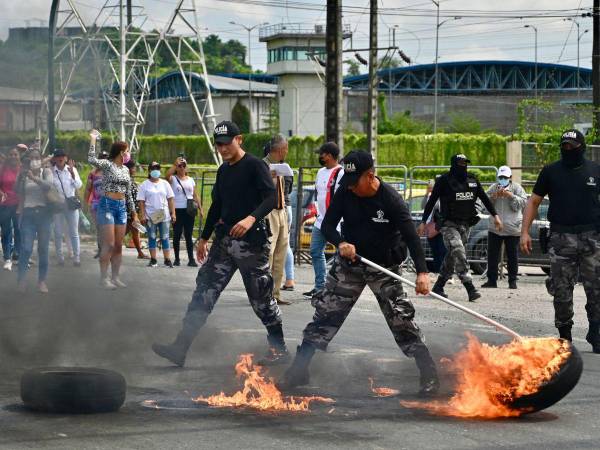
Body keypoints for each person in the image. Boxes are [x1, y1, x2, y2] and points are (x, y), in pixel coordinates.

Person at [279, 151, 438, 396]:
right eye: (348, 181)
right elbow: (328, 225)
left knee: (401, 318)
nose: (350, 187)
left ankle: (429, 374)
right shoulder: (346, 192)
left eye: (355, 182)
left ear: (370, 176)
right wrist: (341, 242)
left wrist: (423, 273)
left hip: (383, 267)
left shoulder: (391, 200)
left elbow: (411, 237)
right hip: (350, 264)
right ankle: (300, 370)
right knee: (326, 313)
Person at [152, 120, 288, 367]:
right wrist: (204, 238)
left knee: (261, 299)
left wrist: (251, 218)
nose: (223, 149)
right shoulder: (224, 170)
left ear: (239, 139)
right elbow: (216, 206)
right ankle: (180, 347)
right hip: (224, 242)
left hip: (252, 243)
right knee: (204, 291)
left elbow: (271, 198)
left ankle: (278, 349)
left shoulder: (255, 166)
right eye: (218, 145)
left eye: (226, 143)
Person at [521, 129, 600, 353]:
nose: (568, 150)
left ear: (581, 147)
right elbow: (533, 201)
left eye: (572, 147)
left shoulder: (595, 170)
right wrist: (524, 232)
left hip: (592, 238)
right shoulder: (551, 171)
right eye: (564, 146)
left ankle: (596, 330)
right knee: (562, 291)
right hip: (561, 238)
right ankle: (565, 334)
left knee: (596, 290)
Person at [419, 154, 503, 302]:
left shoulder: (472, 179)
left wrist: (495, 216)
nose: (463, 166)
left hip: (466, 224)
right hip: (448, 224)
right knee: (458, 250)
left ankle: (438, 286)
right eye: (460, 163)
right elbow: (431, 202)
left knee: (452, 256)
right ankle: (469, 286)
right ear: (453, 164)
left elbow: (484, 198)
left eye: (465, 163)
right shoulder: (444, 181)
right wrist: (423, 221)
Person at [88, 130, 139, 289]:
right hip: (107, 205)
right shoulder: (107, 164)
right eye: (128, 150)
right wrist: (93, 140)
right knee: (108, 244)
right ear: (121, 152)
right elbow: (91, 159)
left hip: (121, 208)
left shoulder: (125, 170)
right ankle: (104, 279)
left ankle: (115, 277)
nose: (129, 154)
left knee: (118, 245)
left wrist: (134, 214)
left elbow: (129, 193)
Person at [303, 142, 344, 299]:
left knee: (341, 255)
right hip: (320, 221)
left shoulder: (340, 173)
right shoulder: (320, 172)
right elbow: (318, 194)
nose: (320, 156)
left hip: (336, 222)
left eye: (322, 154)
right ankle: (320, 287)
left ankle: (336, 286)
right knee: (315, 251)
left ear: (330, 155)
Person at [482, 166, 527, 289]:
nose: (502, 179)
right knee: (492, 255)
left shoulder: (517, 188)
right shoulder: (493, 188)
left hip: (512, 228)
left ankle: (512, 281)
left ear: (510, 178)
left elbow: (522, 204)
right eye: (500, 177)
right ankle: (492, 280)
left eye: (505, 177)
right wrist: (493, 197)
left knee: (512, 255)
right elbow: (484, 205)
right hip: (495, 227)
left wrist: (510, 196)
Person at [15, 149, 54, 293]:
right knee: (26, 248)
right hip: (28, 214)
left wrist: (34, 177)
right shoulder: (24, 173)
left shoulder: (47, 172)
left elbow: (49, 186)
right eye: (31, 158)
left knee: (43, 249)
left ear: (41, 158)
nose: (34, 160)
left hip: (44, 214)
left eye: (37, 157)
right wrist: (20, 178)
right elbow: (16, 190)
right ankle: (22, 280)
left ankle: (41, 281)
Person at [263, 135, 293, 305]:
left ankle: (275, 294)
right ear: (279, 149)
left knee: (281, 253)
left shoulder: (281, 166)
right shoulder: (263, 165)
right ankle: (263, 293)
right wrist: (268, 176)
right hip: (270, 212)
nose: (286, 152)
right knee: (269, 253)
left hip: (281, 211)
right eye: (285, 149)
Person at [166, 156, 202, 267]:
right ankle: (177, 258)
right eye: (179, 166)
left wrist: (200, 209)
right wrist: (174, 164)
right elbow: (166, 176)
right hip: (177, 209)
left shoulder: (191, 180)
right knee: (176, 234)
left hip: (190, 209)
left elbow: (195, 195)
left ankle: (191, 259)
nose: (182, 168)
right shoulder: (173, 179)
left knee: (188, 234)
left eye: (183, 166)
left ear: (186, 167)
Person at [138, 162, 176, 268]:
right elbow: (141, 202)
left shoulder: (165, 183)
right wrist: (142, 215)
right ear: (149, 171)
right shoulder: (144, 184)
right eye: (153, 168)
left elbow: (171, 199)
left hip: (164, 215)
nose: (156, 170)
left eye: (157, 168)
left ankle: (167, 259)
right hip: (150, 216)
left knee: (165, 237)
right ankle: (153, 259)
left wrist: (173, 213)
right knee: (152, 237)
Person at [50, 149, 82, 267]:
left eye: (63, 156)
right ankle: (60, 256)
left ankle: (76, 257)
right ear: (54, 159)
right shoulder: (51, 171)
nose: (60, 158)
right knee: (57, 232)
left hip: (71, 204)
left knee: (73, 232)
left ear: (66, 158)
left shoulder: (72, 170)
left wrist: (73, 174)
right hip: (57, 204)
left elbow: (78, 185)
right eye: (58, 156)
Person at [0, 147, 21, 270]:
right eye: (11, 154)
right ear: (8, 156)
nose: (13, 156)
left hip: (19, 205)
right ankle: (7, 258)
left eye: (15, 154)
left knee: (19, 230)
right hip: (5, 205)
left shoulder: (22, 170)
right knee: (6, 232)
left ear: (19, 156)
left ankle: (16, 254)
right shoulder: (3, 169)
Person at [84, 150, 108, 258]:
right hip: (96, 203)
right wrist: (85, 203)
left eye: (106, 158)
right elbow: (88, 189)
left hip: (109, 204)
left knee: (107, 227)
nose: (104, 160)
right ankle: (100, 249)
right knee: (99, 227)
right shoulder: (93, 173)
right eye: (102, 158)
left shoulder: (112, 173)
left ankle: (107, 249)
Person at [421, 178, 446, 275]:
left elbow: (439, 207)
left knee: (442, 250)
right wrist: (427, 193)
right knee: (435, 250)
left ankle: (443, 272)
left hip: (440, 227)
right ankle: (437, 271)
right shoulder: (429, 196)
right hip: (430, 226)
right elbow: (423, 206)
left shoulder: (442, 195)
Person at [124, 159, 147, 259]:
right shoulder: (126, 180)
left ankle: (140, 253)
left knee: (135, 231)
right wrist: (134, 213)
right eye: (133, 167)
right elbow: (128, 197)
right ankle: (109, 249)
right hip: (128, 210)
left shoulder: (131, 179)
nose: (134, 169)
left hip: (133, 210)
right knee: (124, 231)